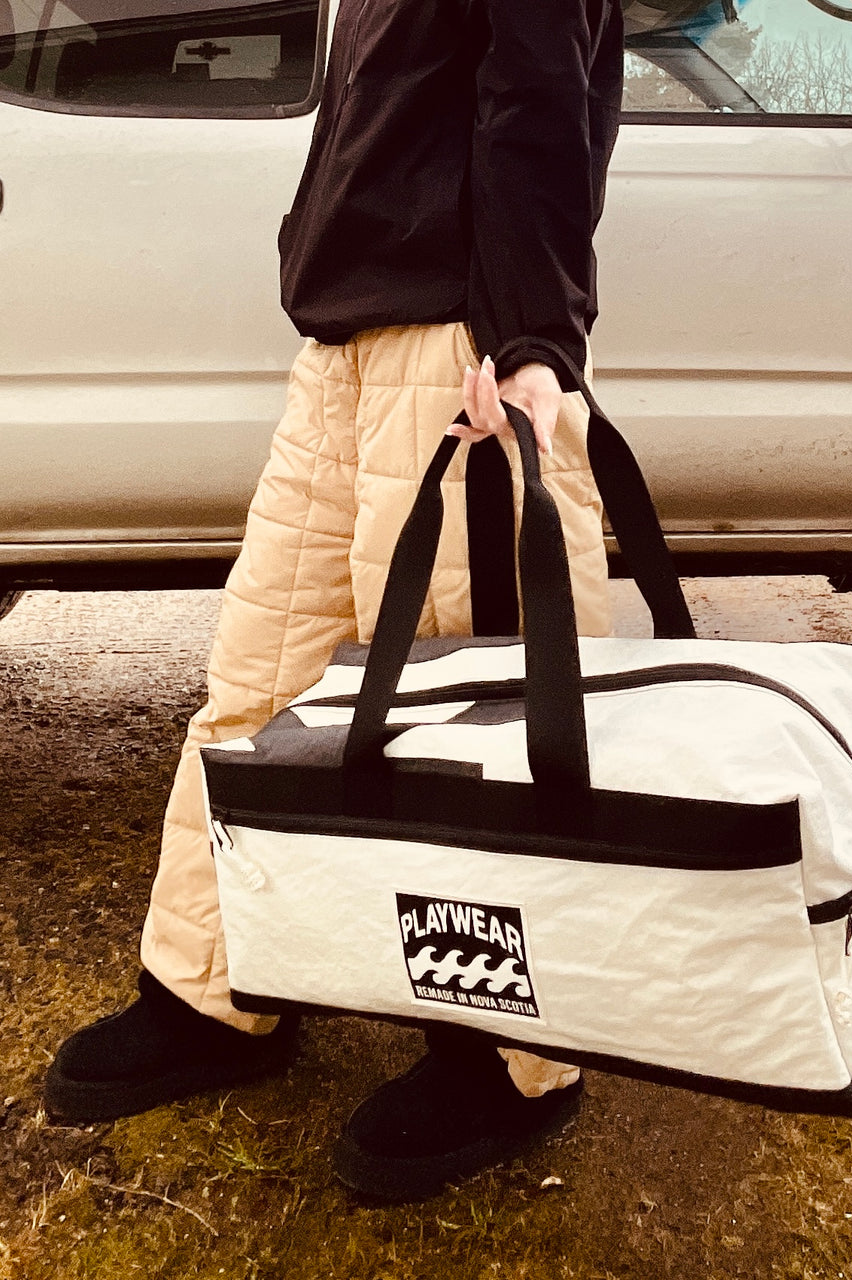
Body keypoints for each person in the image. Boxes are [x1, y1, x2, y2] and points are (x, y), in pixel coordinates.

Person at [44, 0, 625, 1202]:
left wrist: (532, 345)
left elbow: (541, 98)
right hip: (342, 357)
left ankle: (510, 1056)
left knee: (476, 736)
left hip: (458, 363)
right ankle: (218, 989)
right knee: (256, 687)